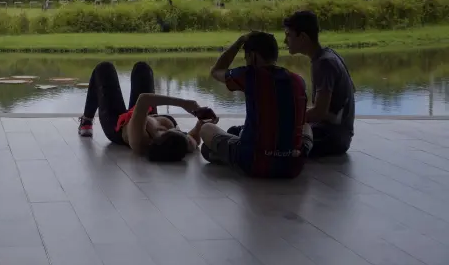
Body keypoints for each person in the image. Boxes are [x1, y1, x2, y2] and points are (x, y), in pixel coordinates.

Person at [199, 31, 312, 179]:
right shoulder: (298, 80)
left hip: (254, 162)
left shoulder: (249, 75)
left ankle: (229, 156)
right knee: (306, 126)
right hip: (292, 166)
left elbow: (216, 71)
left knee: (207, 130)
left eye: (246, 57)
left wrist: (239, 42)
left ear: (252, 56)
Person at [78, 61, 217, 162]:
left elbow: (143, 100)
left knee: (104, 68)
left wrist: (184, 103)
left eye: (178, 132)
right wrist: (203, 122)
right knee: (142, 68)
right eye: (181, 132)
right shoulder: (182, 144)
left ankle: (86, 120)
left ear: (162, 138)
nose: (181, 131)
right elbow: (195, 138)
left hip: (117, 123)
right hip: (147, 113)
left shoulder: (141, 140)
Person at [284, 11, 355, 156]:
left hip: (332, 138)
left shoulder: (324, 63)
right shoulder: (329, 55)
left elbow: (320, 112)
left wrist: (287, 119)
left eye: (289, 35)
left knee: (272, 138)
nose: (285, 41)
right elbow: (352, 90)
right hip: (337, 133)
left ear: (302, 37)